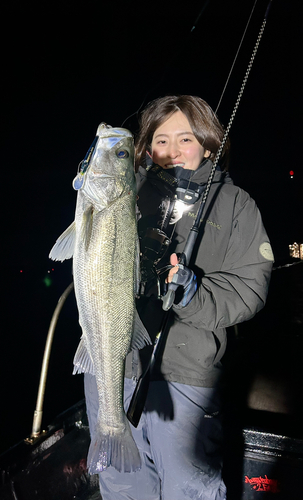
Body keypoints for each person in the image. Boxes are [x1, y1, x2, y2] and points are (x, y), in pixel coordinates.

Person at [84, 95, 274, 499]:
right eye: (160, 140)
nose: (171, 151)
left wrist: (194, 293)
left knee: (188, 484)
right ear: (146, 149)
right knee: (121, 483)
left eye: (184, 139)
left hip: (187, 372)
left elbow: (250, 289)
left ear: (208, 144)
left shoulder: (236, 204)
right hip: (112, 363)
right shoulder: (127, 192)